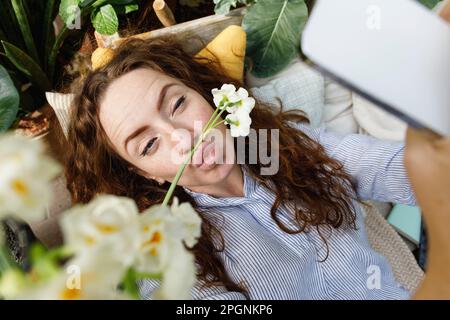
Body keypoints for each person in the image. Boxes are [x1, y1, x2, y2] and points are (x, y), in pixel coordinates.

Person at [66, 36, 421, 299]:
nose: (183, 139)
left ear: (204, 94)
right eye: (148, 144)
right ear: (145, 173)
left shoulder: (281, 144)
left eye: (177, 104)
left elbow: (395, 166)